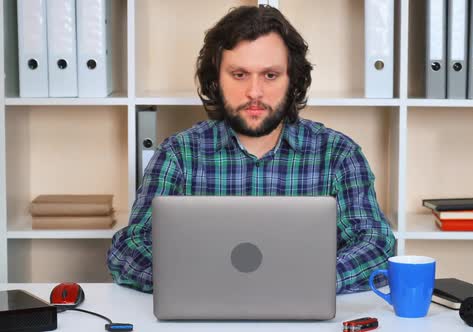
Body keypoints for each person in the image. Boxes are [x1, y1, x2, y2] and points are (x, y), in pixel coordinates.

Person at [107, 5, 395, 294]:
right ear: (216, 80)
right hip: (205, 314)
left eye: (270, 75)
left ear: (292, 80)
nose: (254, 92)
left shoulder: (338, 155)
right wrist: (204, 281)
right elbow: (129, 248)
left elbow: (377, 245)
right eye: (240, 74)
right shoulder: (178, 155)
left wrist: (306, 281)